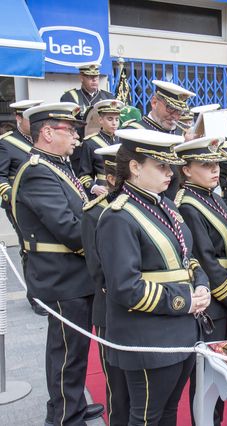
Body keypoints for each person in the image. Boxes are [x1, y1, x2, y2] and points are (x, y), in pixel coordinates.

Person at [96, 128, 211, 425]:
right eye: (160, 166)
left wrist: (201, 285)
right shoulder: (118, 217)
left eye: (169, 166)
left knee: (169, 411)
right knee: (146, 416)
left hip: (181, 332)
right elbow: (125, 287)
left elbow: (187, 257)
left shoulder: (165, 206)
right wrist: (185, 301)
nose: (169, 173)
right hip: (148, 336)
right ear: (135, 167)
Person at [13, 102, 104, 425]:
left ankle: (73, 403)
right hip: (62, 277)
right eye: (71, 131)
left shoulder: (57, 165)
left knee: (76, 350)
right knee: (67, 352)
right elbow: (68, 228)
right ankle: (65, 415)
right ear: (48, 133)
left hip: (73, 274)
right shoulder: (38, 171)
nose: (78, 138)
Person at [173, 136, 227, 426]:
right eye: (206, 165)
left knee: (219, 369)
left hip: (226, 292)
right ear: (187, 169)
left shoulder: (211, 195)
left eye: (216, 164)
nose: (215, 170)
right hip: (213, 297)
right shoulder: (189, 204)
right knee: (206, 374)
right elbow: (205, 259)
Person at [80, 143, 130, 425]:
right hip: (111, 310)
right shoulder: (96, 212)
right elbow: (99, 270)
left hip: (142, 313)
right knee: (118, 390)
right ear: (111, 179)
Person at [0, 99, 46, 316]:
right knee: (30, 248)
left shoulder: (43, 139)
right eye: (31, 117)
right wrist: (11, 198)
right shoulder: (7, 143)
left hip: (46, 202)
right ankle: (36, 297)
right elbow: (0, 177)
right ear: (18, 118)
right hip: (20, 205)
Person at [124, 80, 196, 199]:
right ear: (154, 102)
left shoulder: (179, 133)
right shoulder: (134, 131)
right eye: (170, 108)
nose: (175, 116)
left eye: (179, 112)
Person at [60, 63, 115, 174]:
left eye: (96, 77)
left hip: (103, 146)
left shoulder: (108, 97)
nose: (94, 80)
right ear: (81, 77)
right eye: (90, 77)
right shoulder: (70, 97)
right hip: (80, 148)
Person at [78, 99, 125, 198]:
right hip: (103, 190)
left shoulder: (123, 140)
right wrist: (94, 187)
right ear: (100, 120)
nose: (114, 123)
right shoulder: (90, 142)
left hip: (124, 188)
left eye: (117, 119)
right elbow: (84, 175)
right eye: (110, 119)